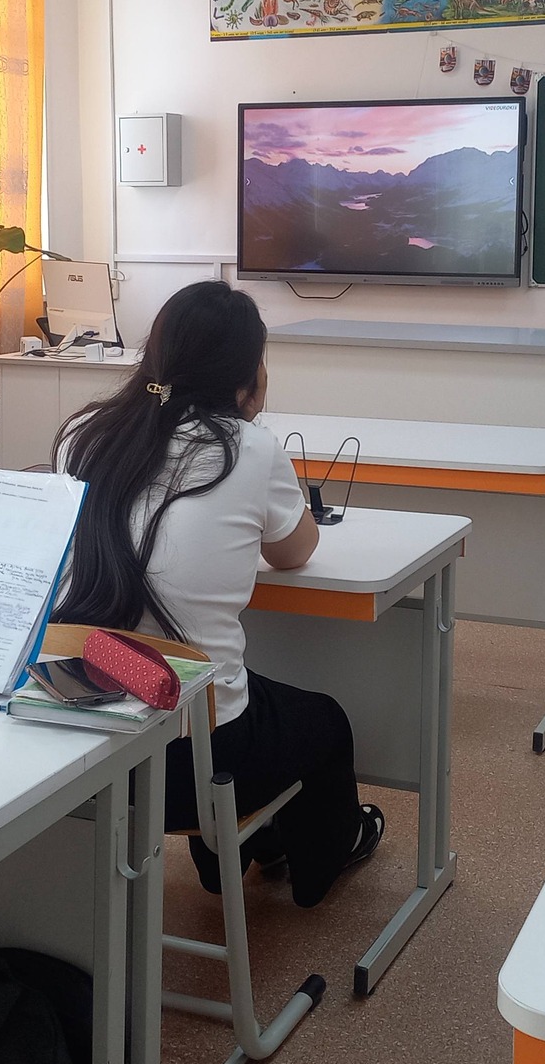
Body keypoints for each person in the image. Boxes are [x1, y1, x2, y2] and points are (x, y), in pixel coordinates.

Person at [51, 281, 382, 907]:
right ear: (247, 372)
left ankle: (242, 850)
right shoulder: (249, 448)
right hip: (191, 765)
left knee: (228, 689)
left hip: (88, 736)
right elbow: (295, 550)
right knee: (322, 720)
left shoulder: (85, 436)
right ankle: (317, 862)